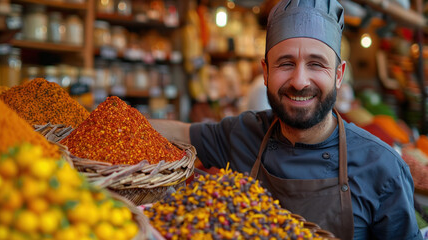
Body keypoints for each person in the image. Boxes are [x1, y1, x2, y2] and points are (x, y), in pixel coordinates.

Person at [149, 0, 422, 239]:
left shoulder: (383, 167)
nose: (300, 81)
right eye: (286, 63)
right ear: (265, 72)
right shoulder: (243, 133)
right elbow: (177, 134)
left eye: (316, 64)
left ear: (339, 75)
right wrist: (114, 122)